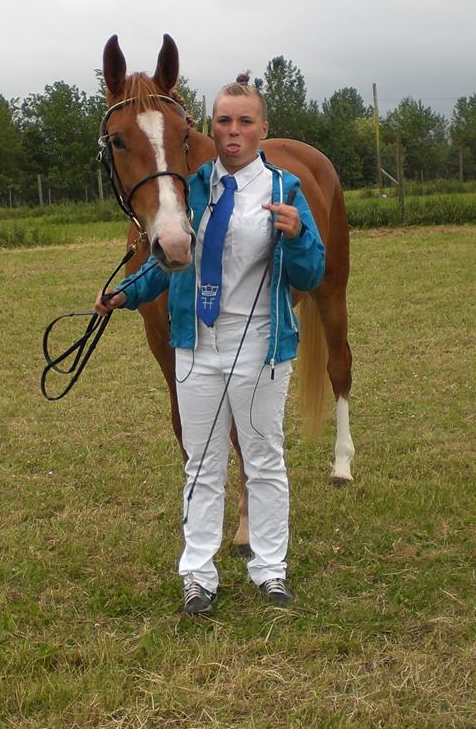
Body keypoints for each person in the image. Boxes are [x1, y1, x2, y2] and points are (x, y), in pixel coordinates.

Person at [96, 73, 326, 615]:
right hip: (196, 344)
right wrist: (125, 295)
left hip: (261, 346)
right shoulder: (190, 189)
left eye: (245, 122)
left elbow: (310, 274)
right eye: (224, 120)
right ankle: (198, 574)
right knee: (200, 463)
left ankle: (270, 568)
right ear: (210, 126)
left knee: (264, 460)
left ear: (262, 129)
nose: (233, 130)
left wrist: (297, 237)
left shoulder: (284, 192)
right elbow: (169, 265)